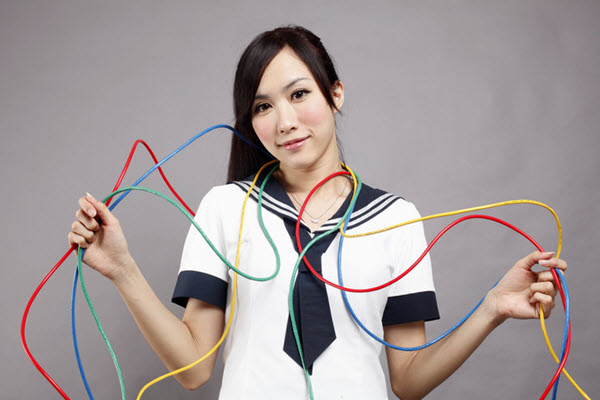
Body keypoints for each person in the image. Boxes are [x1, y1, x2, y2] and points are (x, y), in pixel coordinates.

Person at [68, 26, 567, 400]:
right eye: (262, 107)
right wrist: (123, 270)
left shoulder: (397, 219)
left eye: (299, 94)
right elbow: (195, 369)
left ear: (335, 94)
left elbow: (408, 381)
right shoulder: (225, 208)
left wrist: (492, 311)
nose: (284, 121)